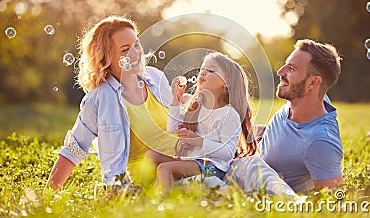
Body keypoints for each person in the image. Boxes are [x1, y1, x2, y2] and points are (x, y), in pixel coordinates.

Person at [46, 16, 174, 192]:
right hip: (147, 184)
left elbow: (179, 122)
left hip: (181, 165)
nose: (135, 53)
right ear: (106, 58)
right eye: (125, 50)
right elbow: (74, 148)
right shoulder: (101, 98)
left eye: (136, 45)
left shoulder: (155, 78)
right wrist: (48, 195)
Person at [229, 39, 343, 194]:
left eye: (291, 69)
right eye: (285, 64)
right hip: (244, 151)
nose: (280, 72)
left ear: (313, 83)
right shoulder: (307, 101)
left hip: (247, 174)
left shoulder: (321, 141)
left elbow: (334, 197)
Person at [142, 52, 257, 192]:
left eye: (211, 70)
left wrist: (198, 141)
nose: (203, 73)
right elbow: (172, 128)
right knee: (151, 156)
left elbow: (227, 152)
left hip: (212, 167)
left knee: (165, 168)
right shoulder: (197, 107)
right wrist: (175, 99)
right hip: (191, 161)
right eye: (203, 69)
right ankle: (143, 193)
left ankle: (164, 206)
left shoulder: (228, 114)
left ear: (226, 83)